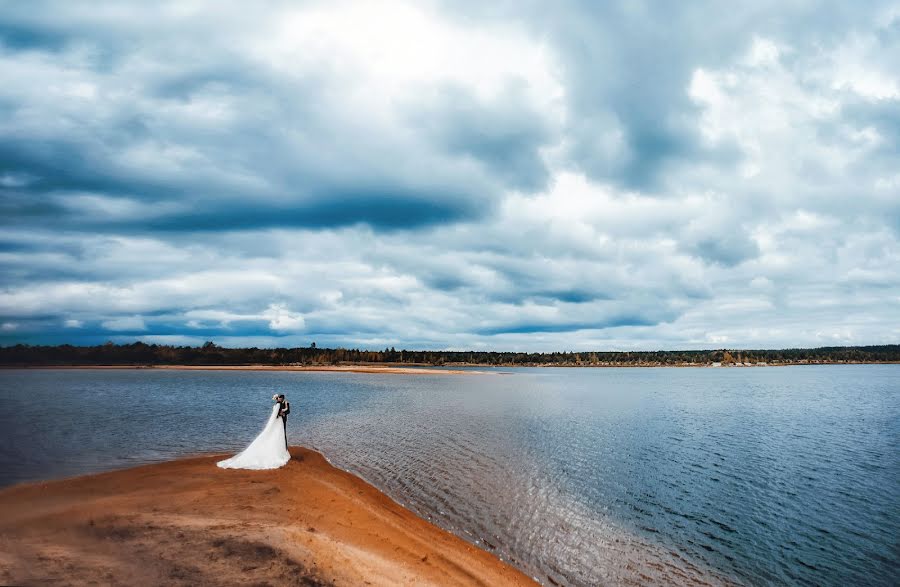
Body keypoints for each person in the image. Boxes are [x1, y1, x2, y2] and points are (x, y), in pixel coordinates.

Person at [217, 395, 290, 470]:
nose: (280, 399)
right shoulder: (277, 404)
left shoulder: (281, 404)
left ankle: (283, 450)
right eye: (279, 398)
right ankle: (280, 451)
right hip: (278, 421)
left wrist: (283, 413)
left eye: (281, 398)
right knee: (279, 435)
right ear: (277, 399)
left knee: (279, 435)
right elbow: (276, 413)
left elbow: (286, 411)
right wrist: (280, 413)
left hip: (280, 421)